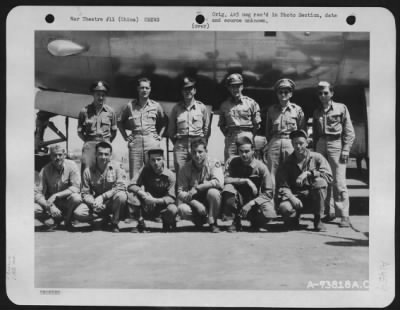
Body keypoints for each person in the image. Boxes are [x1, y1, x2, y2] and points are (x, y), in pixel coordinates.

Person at [312, 81, 355, 227]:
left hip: (336, 144)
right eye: (320, 93)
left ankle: (344, 215)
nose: (323, 96)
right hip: (321, 145)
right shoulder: (316, 112)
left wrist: (346, 149)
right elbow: (315, 134)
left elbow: (349, 131)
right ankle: (329, 212)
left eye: (325, 93)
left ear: (331, 93)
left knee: (339, 181)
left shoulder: (341, 108)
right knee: (324, 179)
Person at [276, 130, 333, 231]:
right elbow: (282, 185)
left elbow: (328, 176)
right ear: (292, 144)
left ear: (307, 143)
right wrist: (292, 198)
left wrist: (309, 173)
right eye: (295, 143)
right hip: (296, 198)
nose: (298, 147)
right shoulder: (287, 162)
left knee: (320, 182)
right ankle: (294, 217)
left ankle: (318, 219)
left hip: (313, 197)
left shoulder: (317, 157)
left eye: (301, 143)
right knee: (284, 207)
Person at [222, 135, 276, 232]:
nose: (244, 154)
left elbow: (268, 193)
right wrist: (245, 181)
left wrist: (251, 203)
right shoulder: (232, 162)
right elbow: (224, 180)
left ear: (253, 151)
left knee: (269, 213)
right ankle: (236, 221)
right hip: (238, 199)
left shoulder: (261, 167)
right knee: (227, 189)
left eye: (247, 151)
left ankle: (255, 221)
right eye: (241, 151)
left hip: (254, 201)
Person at [118, 78, 168, 179]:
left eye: (147, 88)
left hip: (151, 142)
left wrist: (159, 136)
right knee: (135, 176)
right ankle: (136, 194)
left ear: (150, 90)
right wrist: (125, 137)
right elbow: (119, 121)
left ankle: (153, 194)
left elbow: (164, 122)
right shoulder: (130, 106)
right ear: (138, 89)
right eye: (142, 88)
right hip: (136, 142)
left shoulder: (156, 106)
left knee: (154, 173)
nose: (144, 90)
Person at [74, 141, 128, 232]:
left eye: (106, 154)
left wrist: (103, 197)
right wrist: (93, 203)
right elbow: (85, 193)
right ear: (95, 154)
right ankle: (103, 218)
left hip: (112, 201)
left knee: (121, 196)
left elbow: (121, 186)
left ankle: (114, 223)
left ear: (110, 155)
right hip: (96, 204)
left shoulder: (117, 167)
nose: (103, 157)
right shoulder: (88, 171)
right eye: (100, 154)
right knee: (78, 213)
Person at [263, 78, 305, 184]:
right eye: (280, 92)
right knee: (271, 172)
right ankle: (271, 198)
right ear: (277, 94)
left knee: (291, 170)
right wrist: (270, 142)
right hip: (275, 141)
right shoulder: (272, 110)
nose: (283, 94)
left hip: (290, 142)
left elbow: (301, 129)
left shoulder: (297, 110)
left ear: (291, 94)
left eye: (286, 92)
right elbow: (268, 130)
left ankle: (289, 197)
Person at [177, 138, 224, 233]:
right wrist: (195, 203)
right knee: (182, 209)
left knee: (213, 192)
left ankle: (213, 222)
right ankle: (200, 220)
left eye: (200, 152)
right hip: (195, 200)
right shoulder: (185, 168)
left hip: (210, 201)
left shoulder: (214, 163)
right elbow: (180, 192)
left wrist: (199, 188)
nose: (197, 155)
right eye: (194, 152)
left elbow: (218, 182)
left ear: (206, 151)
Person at [127, 148, 178, 233]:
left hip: (162, 206)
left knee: (173, 209)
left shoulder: (170, 175)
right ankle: (141, 223)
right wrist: (143, 194)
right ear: (149, 161)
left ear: (163, 159)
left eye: (158, 159)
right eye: (153, 160)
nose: (156, 163)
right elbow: (131, 185)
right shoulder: (145, 170)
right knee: (132, 196)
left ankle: (167, 223)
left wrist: (154, 200)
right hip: (147, 204)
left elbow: (171, 198)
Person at [168, 77, 210, 176]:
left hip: (197, 144)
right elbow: (171, 130)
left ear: (194, 91)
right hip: (181, 145)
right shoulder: (176, 108)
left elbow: (206, 128)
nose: (188, 92)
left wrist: (202, 143)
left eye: (190, 89)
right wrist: (178, 142)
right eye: (185, 89)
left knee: (198, 172)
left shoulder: (201, 107)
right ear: (182, 92)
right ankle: (181, 191)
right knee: (181, 173)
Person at [35, 144, 82, 231]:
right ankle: (53, 220)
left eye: (60, 155)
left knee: (77, 198)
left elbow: (76, 187)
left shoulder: (72, 165)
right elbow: (37, 193)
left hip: (67, 202)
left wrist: (56, 195)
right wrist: (49, 206)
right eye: (54, 155)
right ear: (50, 156)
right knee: (34, 209)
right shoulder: (45, 170)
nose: (58, 157)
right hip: (52, 204)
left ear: (64, 155)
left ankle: (68, 220)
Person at [218, 73, 261, 162]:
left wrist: (250, 135)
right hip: (231, 139)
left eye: (238, 86)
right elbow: (222, 125)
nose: (235, 89)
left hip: (247, 135)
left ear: (242, 87)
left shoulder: (251, 103)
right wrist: (229, 135)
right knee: (230, 163)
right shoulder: (224, 105)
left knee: (248, 163)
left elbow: (257, 124)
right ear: (229, 88)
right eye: (232, 87)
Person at [77, 81, 117, 176]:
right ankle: (85, 191)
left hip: (105, 144)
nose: (100, 97)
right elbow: (79, 131)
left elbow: (114, 131)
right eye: (98, 94)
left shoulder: (111, 112)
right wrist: (88, 141)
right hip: (89, 145)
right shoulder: (84, 111)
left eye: (103, 95)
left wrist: (106, 141)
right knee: (86, 172)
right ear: (93, 95)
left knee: (105, 172)